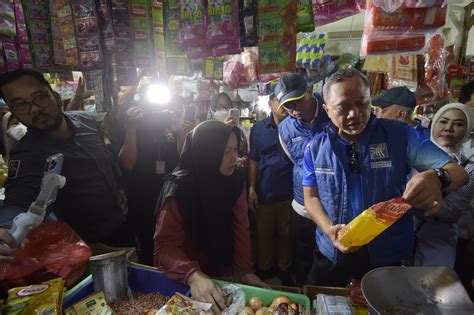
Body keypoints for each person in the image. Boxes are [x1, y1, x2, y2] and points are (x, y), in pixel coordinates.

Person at [303, 68, 469, 287]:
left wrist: (438, 177)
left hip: (387, 254)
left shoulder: (399, 135)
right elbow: (311, 197)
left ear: (370, 100)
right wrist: (329, 229)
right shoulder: (315, 147)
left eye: (361, 103)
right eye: (343, 107)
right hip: (331, 250)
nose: (354, 114)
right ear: (327, 109)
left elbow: (459, 173)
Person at [0, 69, 132, 262]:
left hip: (123, 221)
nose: (34, 109)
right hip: (86, 248)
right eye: (21, 105)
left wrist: (119, 187)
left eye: (39, 97)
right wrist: (5, 228)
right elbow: (18, 199)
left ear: (54, 95)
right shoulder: (28, 153)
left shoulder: (86, 121)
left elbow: (108, 160)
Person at [154, 121, 267, 314]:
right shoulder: (179, 189)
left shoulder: (235, 178)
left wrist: (244, 271)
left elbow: (241, 226)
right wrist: (192, 275)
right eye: (226, 153)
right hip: (186, 275)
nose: (235, 158)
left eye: (235, 150)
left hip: (222, 268)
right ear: (207, 152)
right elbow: (164, 247)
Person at [118, 83, 186, 265]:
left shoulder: (170, 123)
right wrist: (131, 127)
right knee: (147, 246)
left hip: (168, 196)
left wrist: (180, 132)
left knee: (171, 243)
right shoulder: (134, 124)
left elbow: (183, 160)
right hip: (142, 197)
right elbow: (127, 162)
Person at [276, 72, 330, 285]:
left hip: (331, 202)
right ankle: (303, 293)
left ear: (309, 90)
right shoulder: (285, 128)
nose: (293, 110)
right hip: (303, 205)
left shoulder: (331, 112)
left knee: (327, 254)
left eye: (297, 101)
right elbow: (294, 160)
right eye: (287, 106)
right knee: (303, 252)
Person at [414, 103, 474, 268]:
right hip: (401, 239)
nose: (449, 128)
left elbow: (449, 210)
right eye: (444, 121)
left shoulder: (469, 168)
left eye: (459, 124)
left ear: (468, 129)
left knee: (430, 289)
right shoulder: (412, 154)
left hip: (437, 242)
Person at [248, 94, 294, 284]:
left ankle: (284, 269)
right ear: (270, 103)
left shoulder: (296, 127)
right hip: (265, 191)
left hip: (289, 193)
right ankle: (265, 270)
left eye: (288, 102)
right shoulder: (259, 129)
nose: (284, 106)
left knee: (286, 234)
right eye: (279, 101)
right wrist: (251, 188)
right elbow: (253, 159)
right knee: (263, 233)